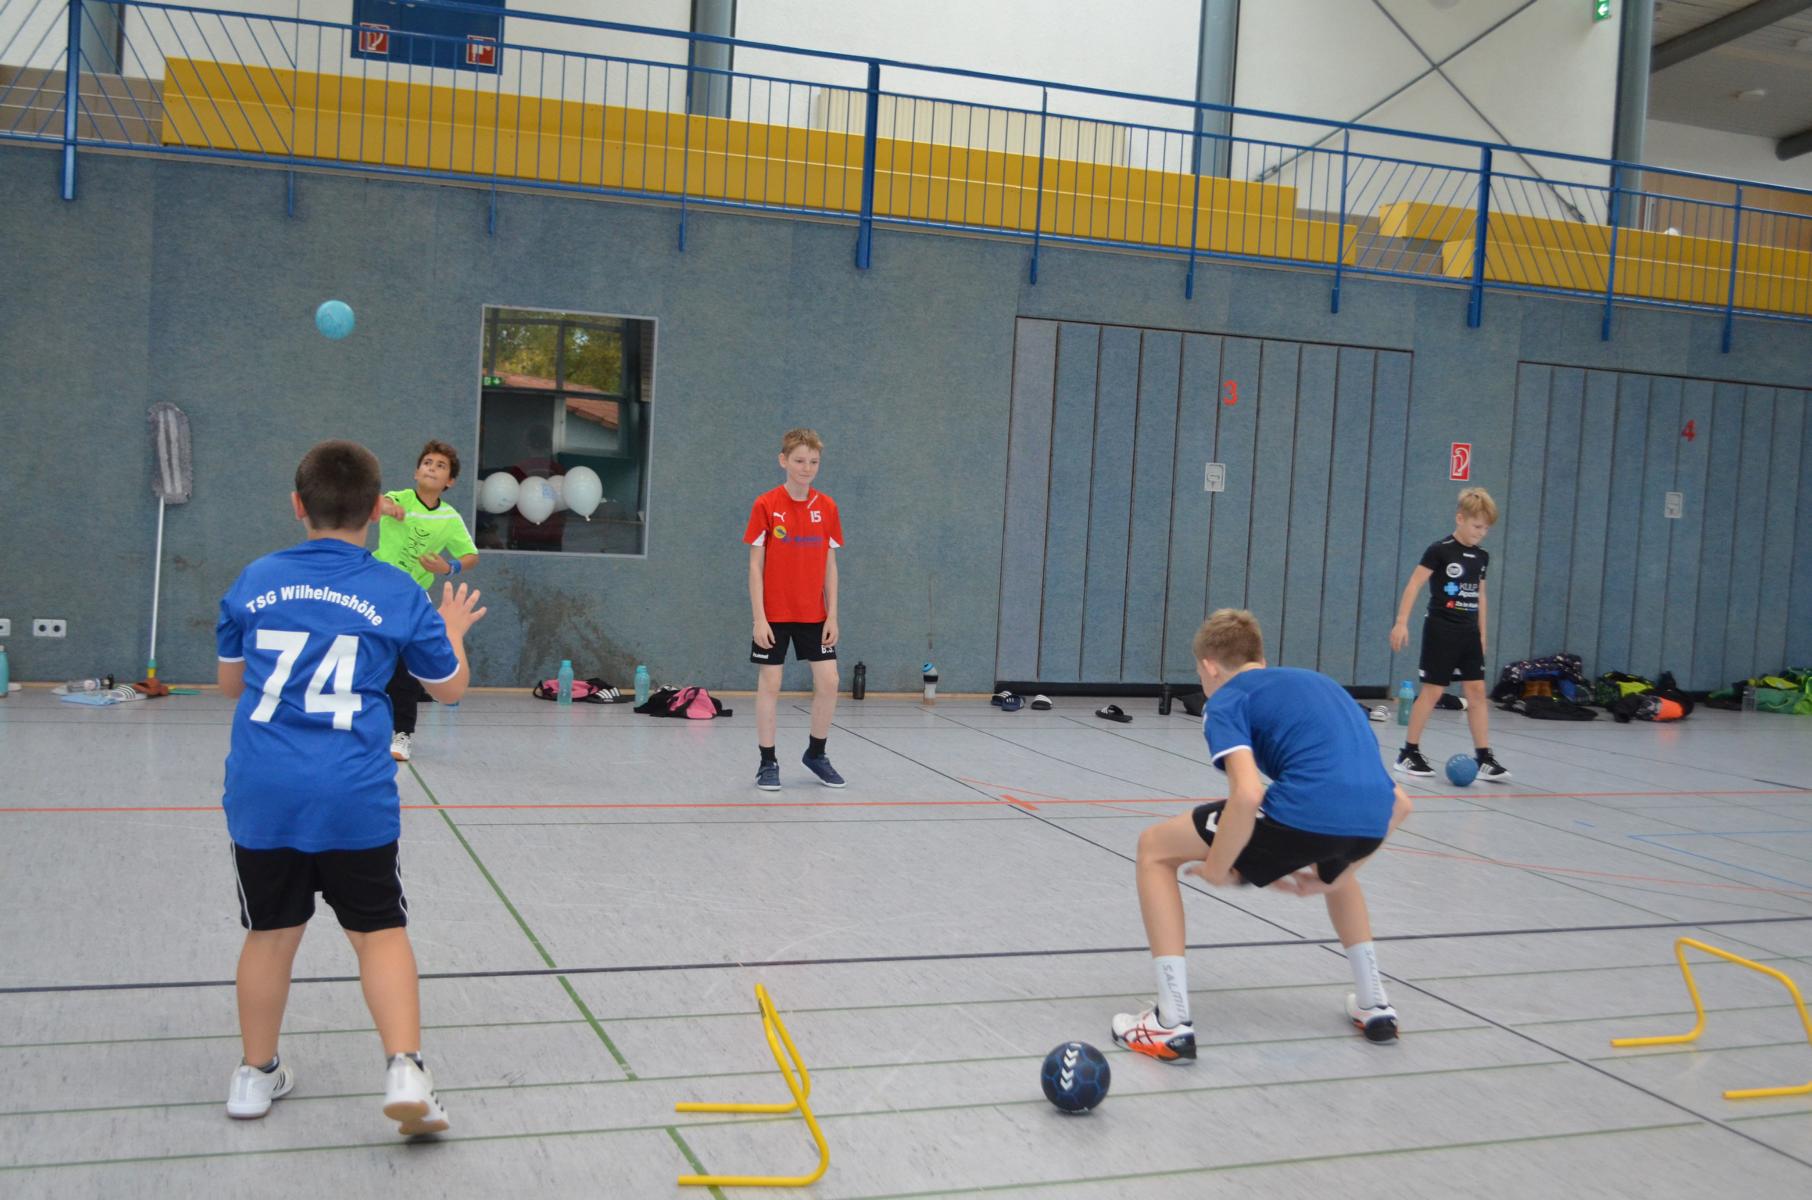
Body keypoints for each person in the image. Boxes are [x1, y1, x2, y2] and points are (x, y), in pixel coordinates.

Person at [215, 439, 486, 1134]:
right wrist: (452, 630)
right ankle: (405, 1070)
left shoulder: (253, 579)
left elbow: (230, 684)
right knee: (379, 931)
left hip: (265, 792)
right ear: (375, 511)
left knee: (270, 933)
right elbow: (449, 688)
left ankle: (254, 1074)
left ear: (297, 505)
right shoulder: (396, 591)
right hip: (352, 794)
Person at [1111, 609, 1414, 1062]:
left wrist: (1217, 868)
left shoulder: (1227, 700)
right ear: (1260, 659)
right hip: (1372, 820)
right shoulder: (1323, 685)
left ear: (1210, 667)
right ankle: (1375, 1004)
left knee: (1154, 848)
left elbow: (1248, 794)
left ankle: (1170, 1023)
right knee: (1332, 845)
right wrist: (1338, 874)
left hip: (1301, 814)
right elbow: (1402, 803)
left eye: (1200, 673)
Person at [745, 428, 845, 791]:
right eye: (800, 461)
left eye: (814, 462)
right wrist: (759, 617)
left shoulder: (828, 507)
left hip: (813, 615)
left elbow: (830, 565)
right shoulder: (766, 504)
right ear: (783, 460)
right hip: (774, 614)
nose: (807, 468)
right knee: (771, 683)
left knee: (830, 681)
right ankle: (767, 761)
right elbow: (755, 565)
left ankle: (816, 754)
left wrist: (832, 614)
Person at [1389, 487, 1509, 781]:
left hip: (1469, 632)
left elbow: (1480, 595)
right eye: (1476, 526)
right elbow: (1414, 584)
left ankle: (1484, 757)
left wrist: (1482, 633)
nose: (1481, 533)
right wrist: (1401, 622)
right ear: (1460, 518)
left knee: (1477, 691)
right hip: (1441, 629)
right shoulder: (1439, 550)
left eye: (1486, 529)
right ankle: (1408, 753)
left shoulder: (1482, 556)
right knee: (1433, 690)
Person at [374, 440, 479, 762]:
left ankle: (402, 734)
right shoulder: (400, 498)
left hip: (411, 599)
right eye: (427, 463)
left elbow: (471, 555)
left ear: (450, 481)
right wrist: (386, 508)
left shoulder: (449, 518)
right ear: (416, 471)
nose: (432, 468)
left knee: (405, 667)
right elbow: (376, 502)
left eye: (440, 466)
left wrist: (449, 568)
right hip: (376, 589)